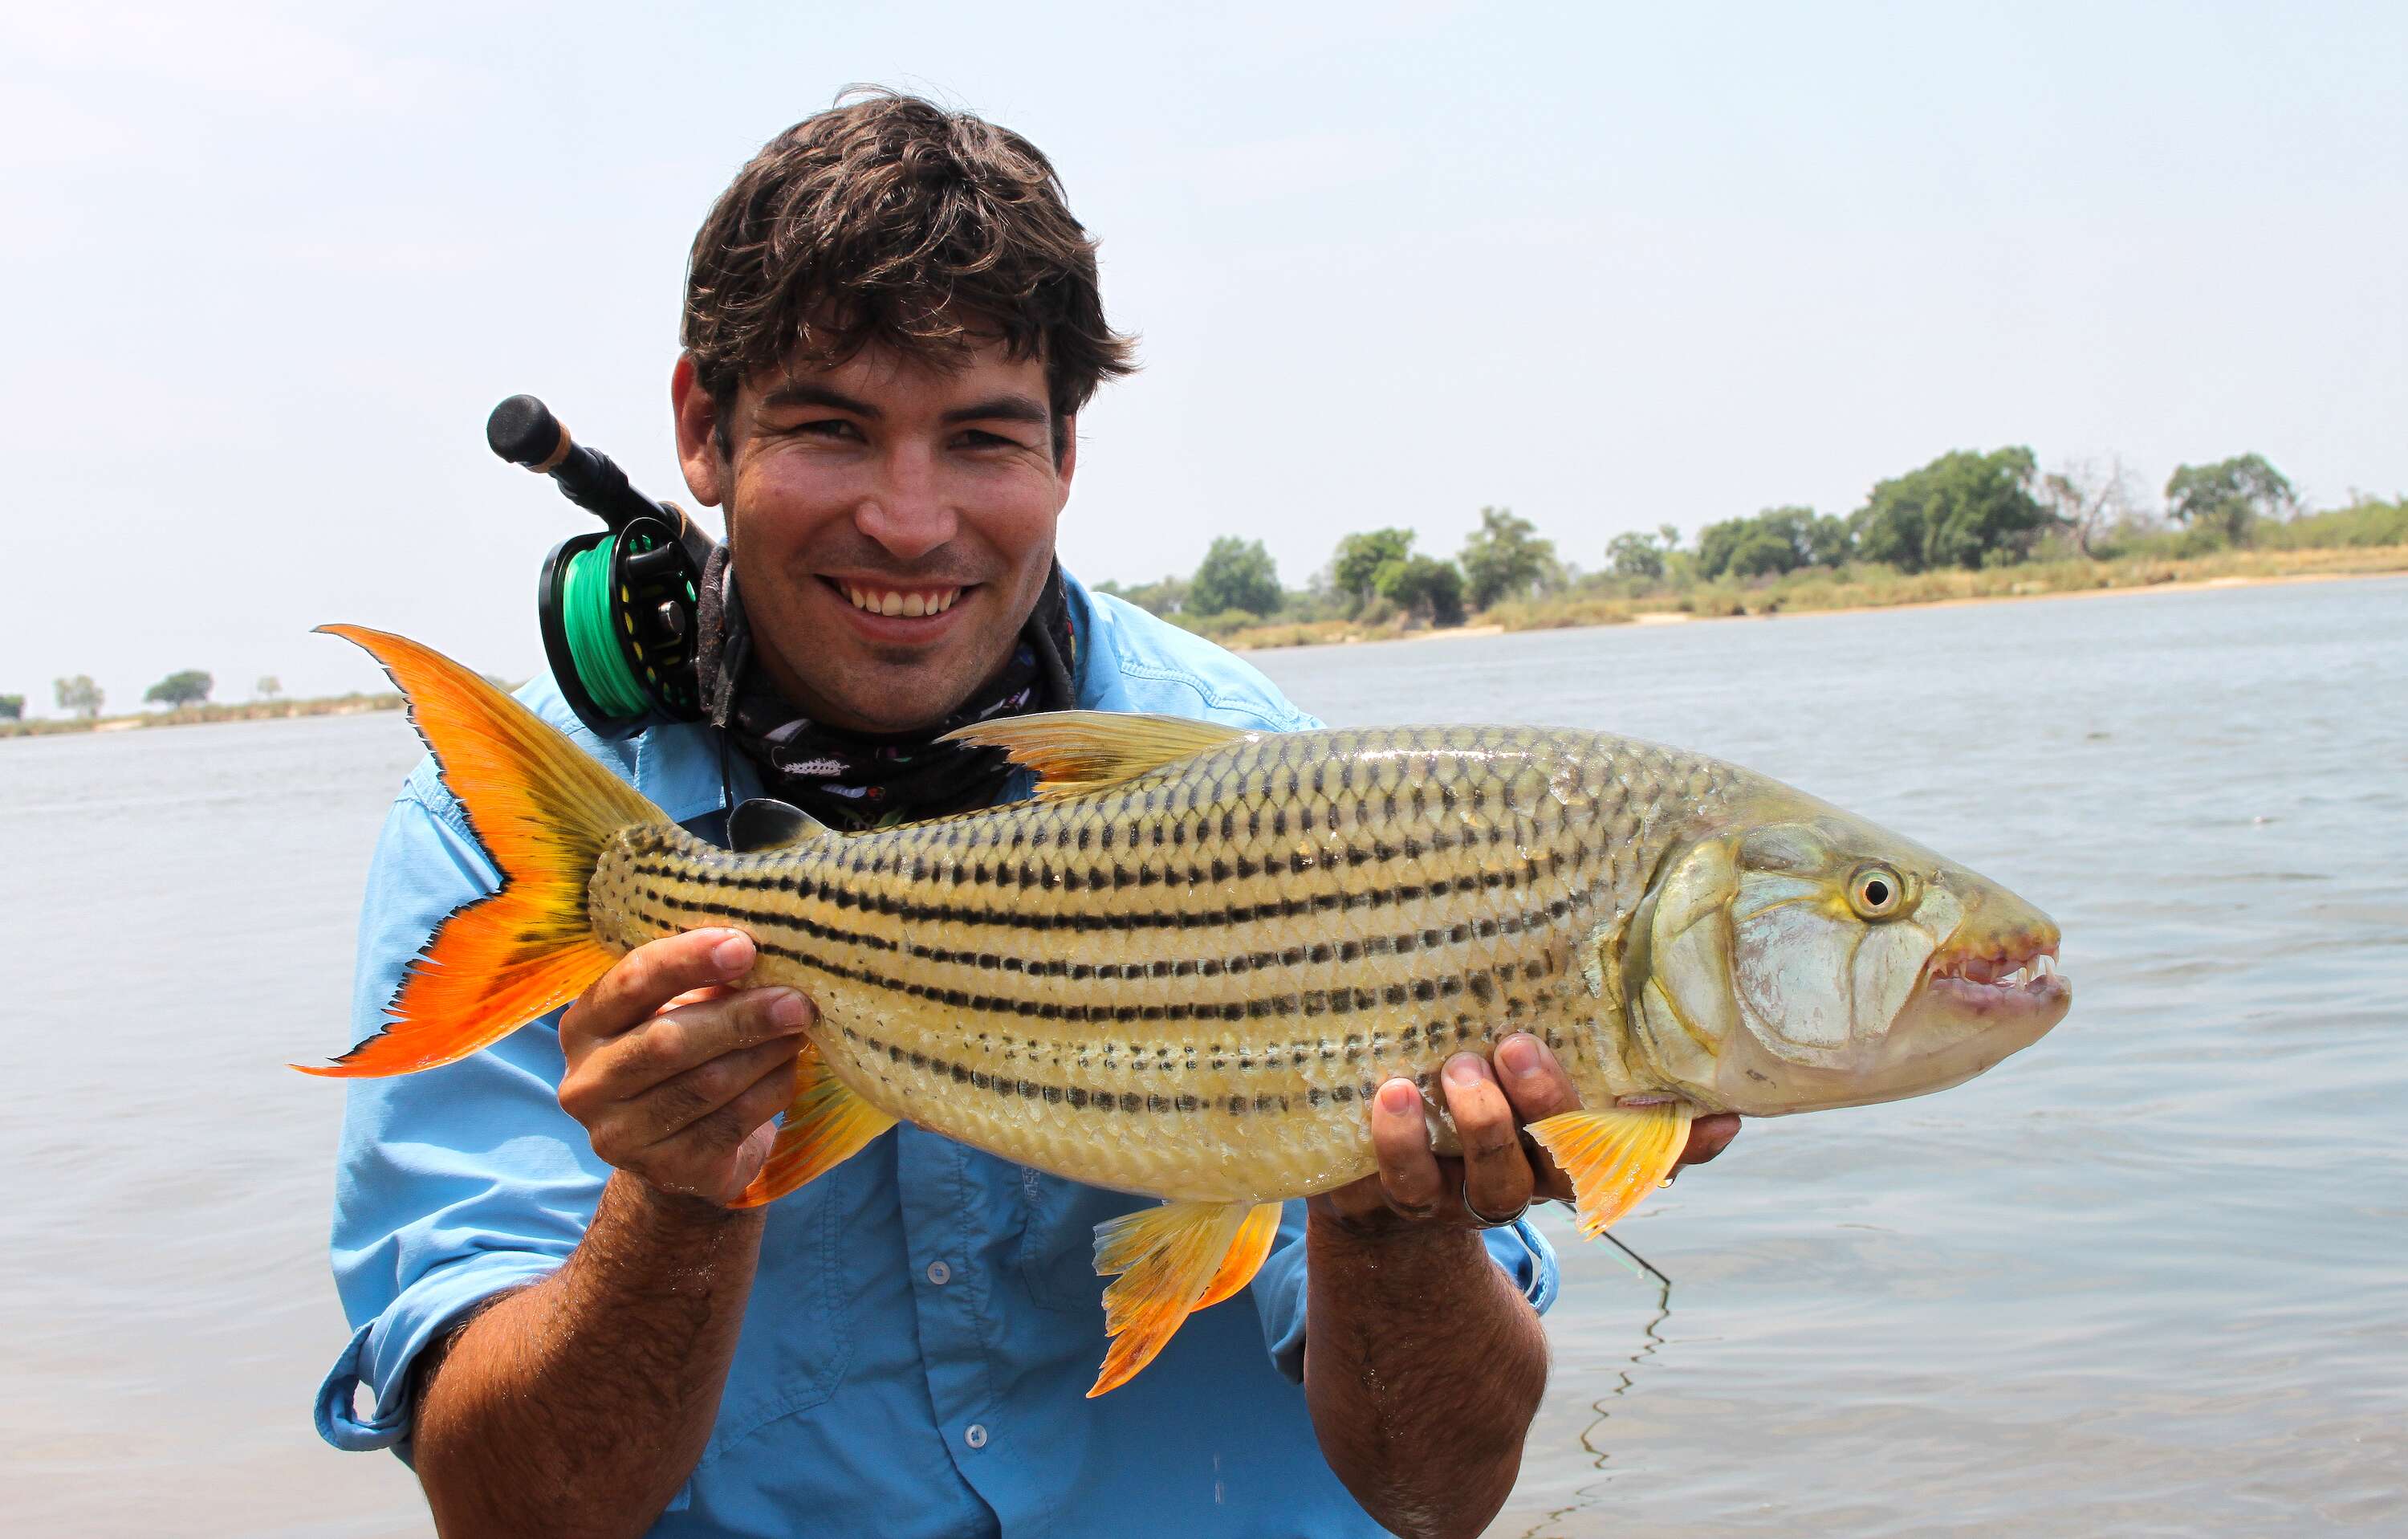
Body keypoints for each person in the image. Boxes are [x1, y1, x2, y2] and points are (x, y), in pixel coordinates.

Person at [315, 92, 1739, 1539]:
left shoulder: (1284, 789)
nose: (912, 521)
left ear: (1068, 453)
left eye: (986, 439)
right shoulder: (499, 832)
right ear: (701, 428)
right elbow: (506, 1513)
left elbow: (1439, 1495)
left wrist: (1391, 1214)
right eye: (831, 428)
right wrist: (678, 1199)